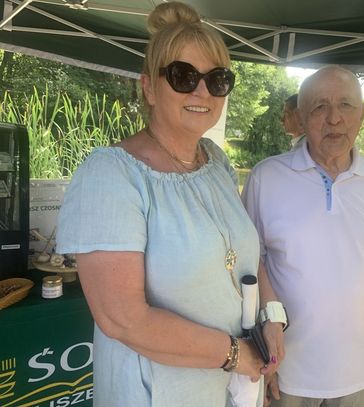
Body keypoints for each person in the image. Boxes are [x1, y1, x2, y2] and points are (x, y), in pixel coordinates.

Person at [56, 2, 279, 406]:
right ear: (148, 87)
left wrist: (272, 319)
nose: (202, 91)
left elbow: (246, 259)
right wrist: (234, 354)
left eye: (217, 79)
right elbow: (123, 319)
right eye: (183, 76)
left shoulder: (216, 161)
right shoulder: (111, 174)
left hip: (231, 387)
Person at [242, 66, 364, 406]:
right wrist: (260, 354)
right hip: (285, 372)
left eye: (345, 105)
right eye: (320, 107)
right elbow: (248, 268)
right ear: (300, 116)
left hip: (360, 373)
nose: (334, 118)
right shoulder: (266, 178)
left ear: (362, 114)